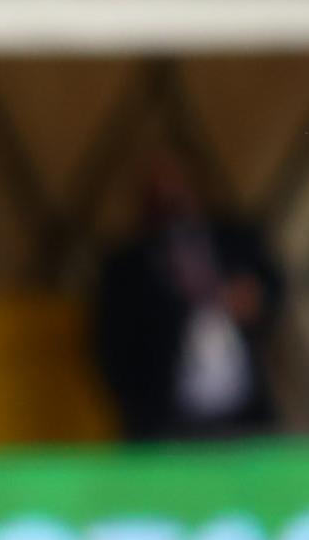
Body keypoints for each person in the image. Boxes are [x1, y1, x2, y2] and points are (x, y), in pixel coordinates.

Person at [93, 150, 283, 442]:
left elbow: (276, 288)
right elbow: (110, 343)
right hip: (167, 423)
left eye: (177, 184)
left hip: (245, 416)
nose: (170, 196)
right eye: (158, 189)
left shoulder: (234, 238)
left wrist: (254, 298)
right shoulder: (128, 263)